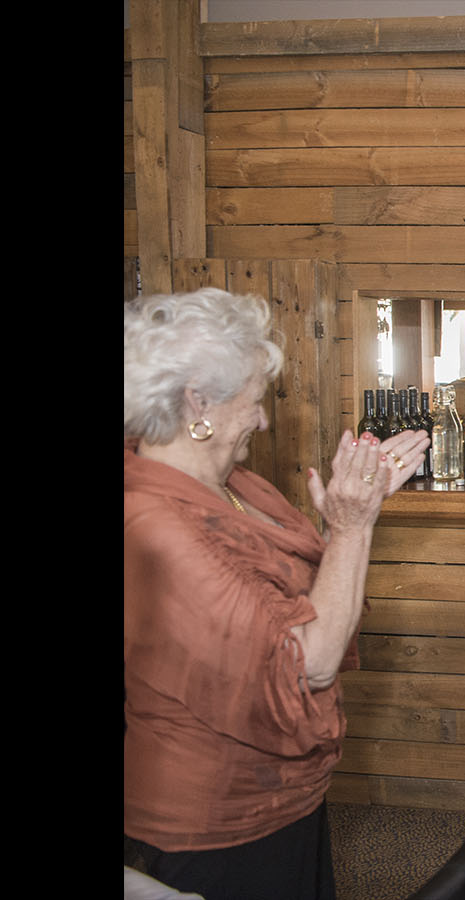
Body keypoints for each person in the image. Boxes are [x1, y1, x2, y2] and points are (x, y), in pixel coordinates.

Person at [124, 288, 430, 900]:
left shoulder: (237, 484)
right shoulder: (153, 524)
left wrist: (352, 518)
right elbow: (309, 662)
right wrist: (351, 526)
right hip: (214, 821)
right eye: (254, 401)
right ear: (197, 403)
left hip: (286, 796)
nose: (263, 420)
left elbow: (295, 594)